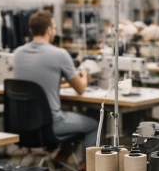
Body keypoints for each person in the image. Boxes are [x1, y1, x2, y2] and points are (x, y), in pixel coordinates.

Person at [13, 10, 98, 153]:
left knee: (67, 111)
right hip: (50, 125)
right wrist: (84, 74)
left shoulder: (18, 53)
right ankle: (88, 168)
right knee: (94, 124)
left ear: (31, 30)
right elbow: (80, 89)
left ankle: (62, 157)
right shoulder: (60, 54)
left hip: (22, 124)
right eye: (54, 28)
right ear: (49, 30)